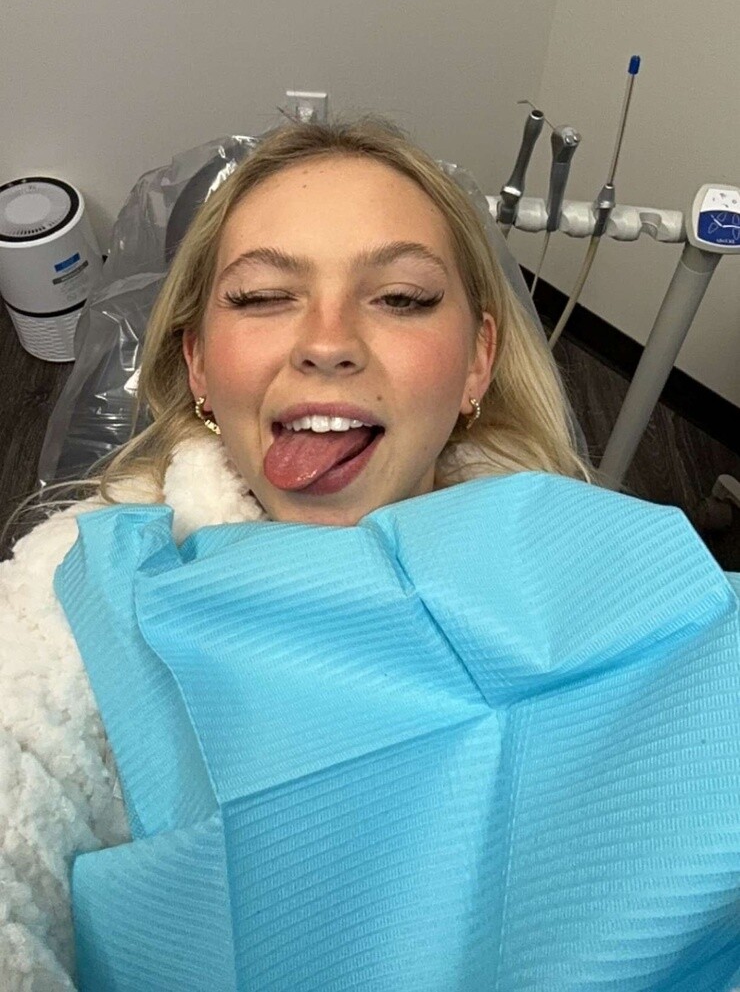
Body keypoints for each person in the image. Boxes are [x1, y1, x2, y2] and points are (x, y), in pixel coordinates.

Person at [1, 114, 738, 991]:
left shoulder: (606, 570)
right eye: (262, 296)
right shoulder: (73, 605)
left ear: (478, 361)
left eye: (401, 297)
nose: (327, 341)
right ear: (197, 364)